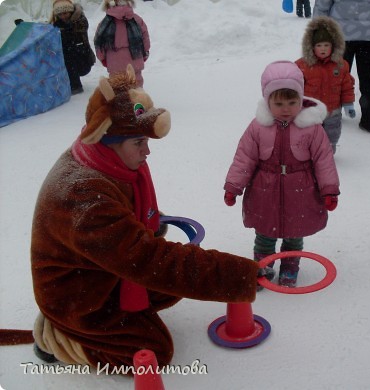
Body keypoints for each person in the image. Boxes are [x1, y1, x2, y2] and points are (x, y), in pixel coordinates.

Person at [28, 65, 259, 369]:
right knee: (152, 353)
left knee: (170, 286)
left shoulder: (101, 160)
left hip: (98, 271)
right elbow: (149, 260)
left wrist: (140, 224)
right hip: (80, 295)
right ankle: (62, 338)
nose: (147, 152)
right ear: (109, 141)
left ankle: (87, 323)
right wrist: (234, 274)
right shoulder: (83, 197)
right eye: (139, 142)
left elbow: (130, 234)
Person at [223, 61, 340, 288]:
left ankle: (289, 267)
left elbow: (323, 160)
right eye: (278, 103)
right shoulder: (258, 127)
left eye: (292, 102)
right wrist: (233, 187)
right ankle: (263, 268)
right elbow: (244, 158)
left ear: (301, 99)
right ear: (267, 101)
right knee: (265, 233)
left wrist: (329, 190)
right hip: (264, 189)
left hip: (301, 190)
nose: (286, 108)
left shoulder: (312, 128)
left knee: (294, 234)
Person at [313, 0, 370, 135]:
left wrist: (318, 27)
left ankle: (328, 116)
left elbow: (323, 4)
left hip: (340, 32)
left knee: (334, 77)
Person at [296, 16, 356, 154]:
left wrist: (348, 104)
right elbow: (295, 87)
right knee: (309, 132)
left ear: (333, 46)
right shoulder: (302, 66)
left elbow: (346, 85)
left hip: (332, 109)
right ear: (311, 47)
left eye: (326, 45)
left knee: (332, 132)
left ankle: (328, 152)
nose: (323, 49)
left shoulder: (340, 65)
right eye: (319, 46)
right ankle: (308, 152)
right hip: (311, 109)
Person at [94, 0, 150, 87]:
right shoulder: (137, 20)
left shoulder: (105, 23)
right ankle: (137, 100)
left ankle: (120, 100)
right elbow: (145, 38)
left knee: (118, 88)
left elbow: (99, 43)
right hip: (135, 57)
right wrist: (145, 53)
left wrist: (102, 58)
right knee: (136, 86)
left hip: (114, 62)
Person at [50, 0, 95, 95]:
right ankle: (72, 85)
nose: (63, 16)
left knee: (71, 59)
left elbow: (80, 32)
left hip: (81, 53)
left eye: (65, 13)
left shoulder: (80, 20)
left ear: (70, 11)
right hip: (67, 53)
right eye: (60, 14)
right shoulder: (58, 23)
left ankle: (75, 86)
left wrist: (66, 30)